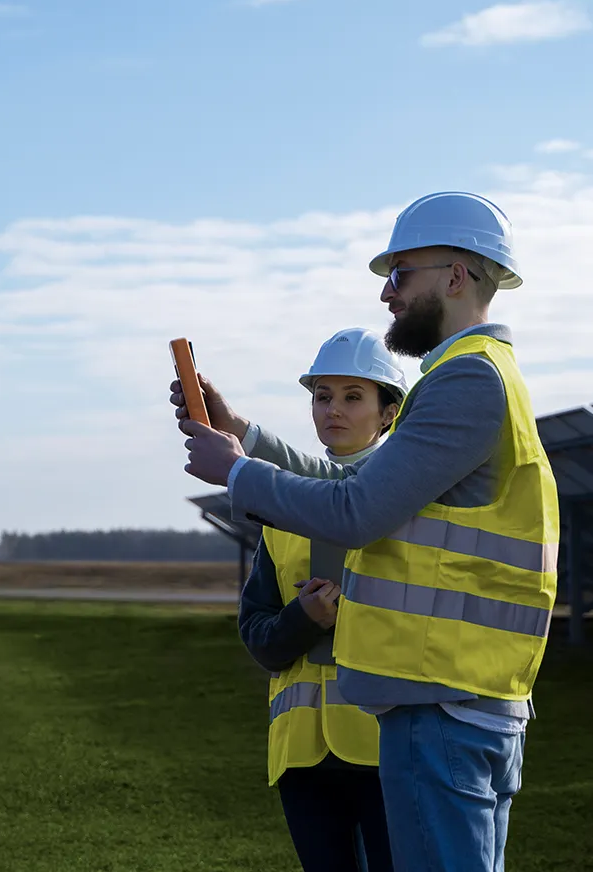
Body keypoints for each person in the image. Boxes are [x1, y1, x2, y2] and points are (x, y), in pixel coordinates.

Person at [174, 192, 559, 872]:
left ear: (455, 277)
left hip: (442, 702)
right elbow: (355, 487)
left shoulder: (466, 379)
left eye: (400, 272)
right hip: (463, 697)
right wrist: (246, 437)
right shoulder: (480, 376)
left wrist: (236, 474)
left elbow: (355, 511)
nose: (386, 293)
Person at [237, 328, 406, 872]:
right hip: (302, 752)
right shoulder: (281, 505)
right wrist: (301, 619)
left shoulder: (417, 498)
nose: (334, 409)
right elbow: (259, 637)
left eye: (353, 396)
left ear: (388, 413)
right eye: (323, 396)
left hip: (388, 747)